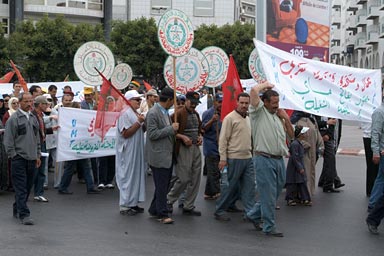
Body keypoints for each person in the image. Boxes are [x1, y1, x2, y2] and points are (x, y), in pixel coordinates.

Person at [247, 82, 294, 237]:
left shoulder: (278, 116)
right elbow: (254, 91)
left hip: (279, 159)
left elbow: (292, 135)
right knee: (268, 195)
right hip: (263, 158)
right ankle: (269, 226)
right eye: (273, 103)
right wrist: (266, 85)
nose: (276, 106)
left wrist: (286, 119)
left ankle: (254, 214)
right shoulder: (258, 112)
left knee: (274, 193)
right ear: (265, 102)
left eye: (277, 103)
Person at [214, 92, 256, 222]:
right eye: (242, 103)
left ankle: (250, 213)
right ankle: (219, 210)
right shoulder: (230, 118)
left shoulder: (249, 118)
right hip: (233, 158)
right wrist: (223, 159)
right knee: (229, 187)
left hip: (248, 158)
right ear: (237, 102)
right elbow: (223, 140)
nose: (244, 105)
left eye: (246, 103)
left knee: (249, 187)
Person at [3, 92, 41, 225]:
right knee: (21, 187)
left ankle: (17, 206)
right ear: (19, 102)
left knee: (28, 186)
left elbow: (37, 138)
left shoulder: (33, 117)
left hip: (31, 158)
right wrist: (13, 155)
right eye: (26, 101)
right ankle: (24, 214)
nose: (29, 104)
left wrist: (38, 154)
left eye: (31, 101)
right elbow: (8, 141)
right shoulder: (13, 119)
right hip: (19, 159)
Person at [167, 91, 203, 216]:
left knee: (195, 177)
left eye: (196, 103)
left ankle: (189, 205)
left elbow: (199, 130)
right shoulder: (178, 114)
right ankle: (169, 200)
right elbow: (169, 131)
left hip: (195, 147)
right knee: (183, 178)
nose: (194, 105)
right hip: (183, 148)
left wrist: (199, 136)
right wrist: (181, 137)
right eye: (192, 103)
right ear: (186, 100)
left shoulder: (196, 114)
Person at [146, 87, 178, 224]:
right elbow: (152, 134)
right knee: (161, 185)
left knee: (163, 185)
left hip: (167, 154)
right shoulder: (153, 113)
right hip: (158, 156)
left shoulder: (165, 112)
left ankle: (154, 208)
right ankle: (162, 213)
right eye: (173, 101)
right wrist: (171, 129)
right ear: (169, 100)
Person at [116, 90, 146, 216]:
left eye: (140, 100)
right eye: (136, 100)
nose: (139, 102)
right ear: (129, 100)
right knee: (127, 176)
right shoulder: (124, 113)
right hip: (127, 150)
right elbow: (126, 133)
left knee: (136, 175)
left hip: (137, 149)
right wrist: (139, 122)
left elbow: (140, 130)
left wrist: (143, 123)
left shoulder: (136, 113)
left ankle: (133, 203)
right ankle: (124, 205)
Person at [290, 110, 324, 196]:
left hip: (312, 153)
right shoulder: (295, 120)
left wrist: (320, 146)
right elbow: (291, 136)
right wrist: (303, 145)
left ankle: (308, 193)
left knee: (310, 172)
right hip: (301, 153)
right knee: (301, 173)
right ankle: (300, 195)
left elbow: (317, 133)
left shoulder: (312, 119)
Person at [31, 96, 58, 202]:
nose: (48, 106)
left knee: (42, 170)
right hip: (35, 145)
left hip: (42, 143)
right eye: (46, 104)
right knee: (35, 170)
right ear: (40, 104)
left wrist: (51, 129)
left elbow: (41, 130)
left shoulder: (40, 115)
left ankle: (38, 193)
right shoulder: (32, 115)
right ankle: (30, 192)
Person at [202, 93, 223, 200]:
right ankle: (217, 193)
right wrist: (212, 120)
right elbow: (203, 129)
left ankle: (208, 193)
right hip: (211, 148)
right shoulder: (208, 113)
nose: (221, 104)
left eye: (222, 102)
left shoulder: (224, 113)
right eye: (219, 102)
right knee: (213, 171)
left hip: (221, 147)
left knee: (215, 172)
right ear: (214, 102)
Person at [317, 116, 345, 193]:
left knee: (330, 161)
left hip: (328, 139)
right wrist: (325, 123)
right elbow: (313, 122)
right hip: (316, 136)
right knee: (311, 162)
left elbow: (332, 125)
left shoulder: (332, 111)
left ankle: (328, 184)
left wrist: (328, 135)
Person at [285, 125, 312, 206]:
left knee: (299, 182)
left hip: (296, 166)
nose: (305, 135)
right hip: (295, 167)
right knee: (293, 183)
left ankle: (302, 198)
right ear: (300, 134)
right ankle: (292, 198)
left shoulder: (297, 143)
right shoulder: (295, 144)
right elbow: (295, 157)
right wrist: (300, 167)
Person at [368, 102, 384, 211]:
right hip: (383, 151)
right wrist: (376, 152)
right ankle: (373, 204)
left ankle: (374, 204)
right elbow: (375, 133)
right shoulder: (379, 112)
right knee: (381, 179)